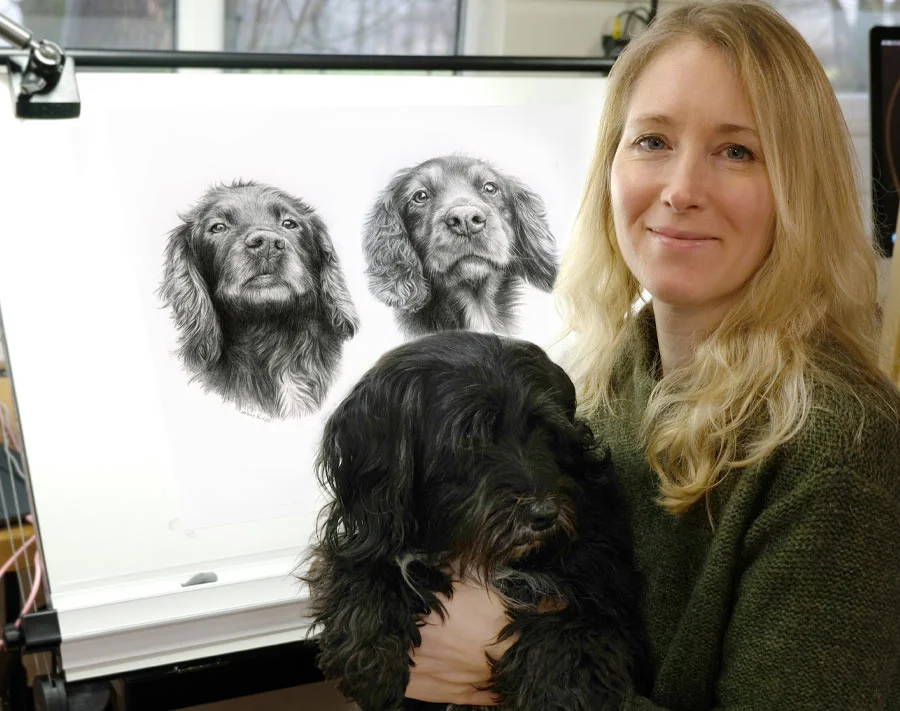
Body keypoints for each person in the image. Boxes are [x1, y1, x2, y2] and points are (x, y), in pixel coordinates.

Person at [404, 1, 900, 709]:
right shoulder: (595, 387)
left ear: (799, 188)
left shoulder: (840, 447)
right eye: (653, 141)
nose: (681, 190)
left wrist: (509, 663)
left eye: (737, 151)